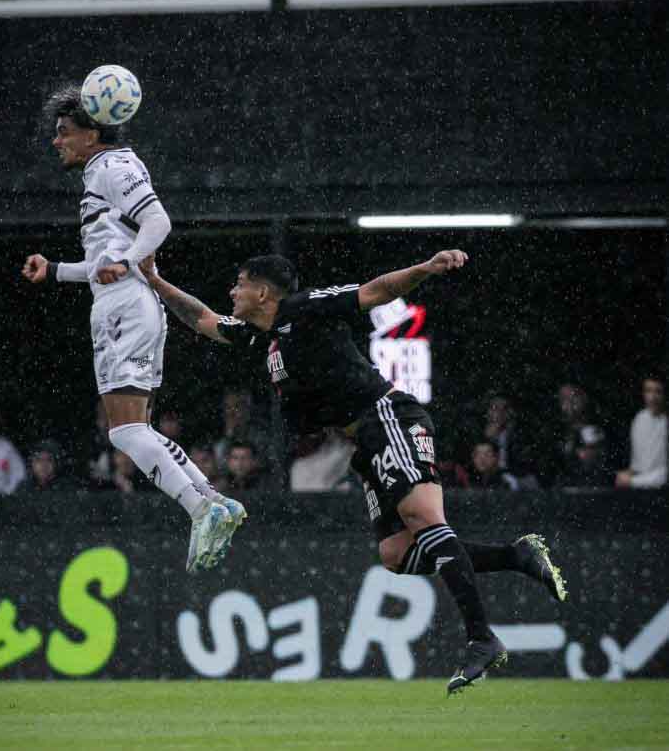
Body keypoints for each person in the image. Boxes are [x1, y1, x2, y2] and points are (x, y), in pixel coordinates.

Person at [138, 249, 567, 695]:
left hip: (388, 418)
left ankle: (481, 637)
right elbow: (204, 320)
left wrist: (426, 268)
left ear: (262, 291)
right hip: (364, 441)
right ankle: (515, 556)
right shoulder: (259, 335)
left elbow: (376, 291)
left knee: (425, 519)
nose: (232, 291)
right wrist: (155, 281)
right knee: (397, 554)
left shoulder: (305, 308)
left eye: (239, 282)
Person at [21, 85, 244, 573]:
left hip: (126, 307)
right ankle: (212, 501)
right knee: (131, 429)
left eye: (64, 133)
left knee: (124, 431)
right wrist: (57, 269)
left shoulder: (111, 167)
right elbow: (104, 261)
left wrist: (123, 262)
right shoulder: (108, 170)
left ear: (91, 132)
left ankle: (201, 506)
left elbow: (158, 223)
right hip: (124, 304)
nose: (57, 142)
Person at [616, 377, 667, 490]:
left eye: (658, 391)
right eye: (648, 390)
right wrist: (627, 475)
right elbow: (637, 464)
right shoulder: (639, 419)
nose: (652, 397)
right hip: (640, 489)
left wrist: (632, 481)